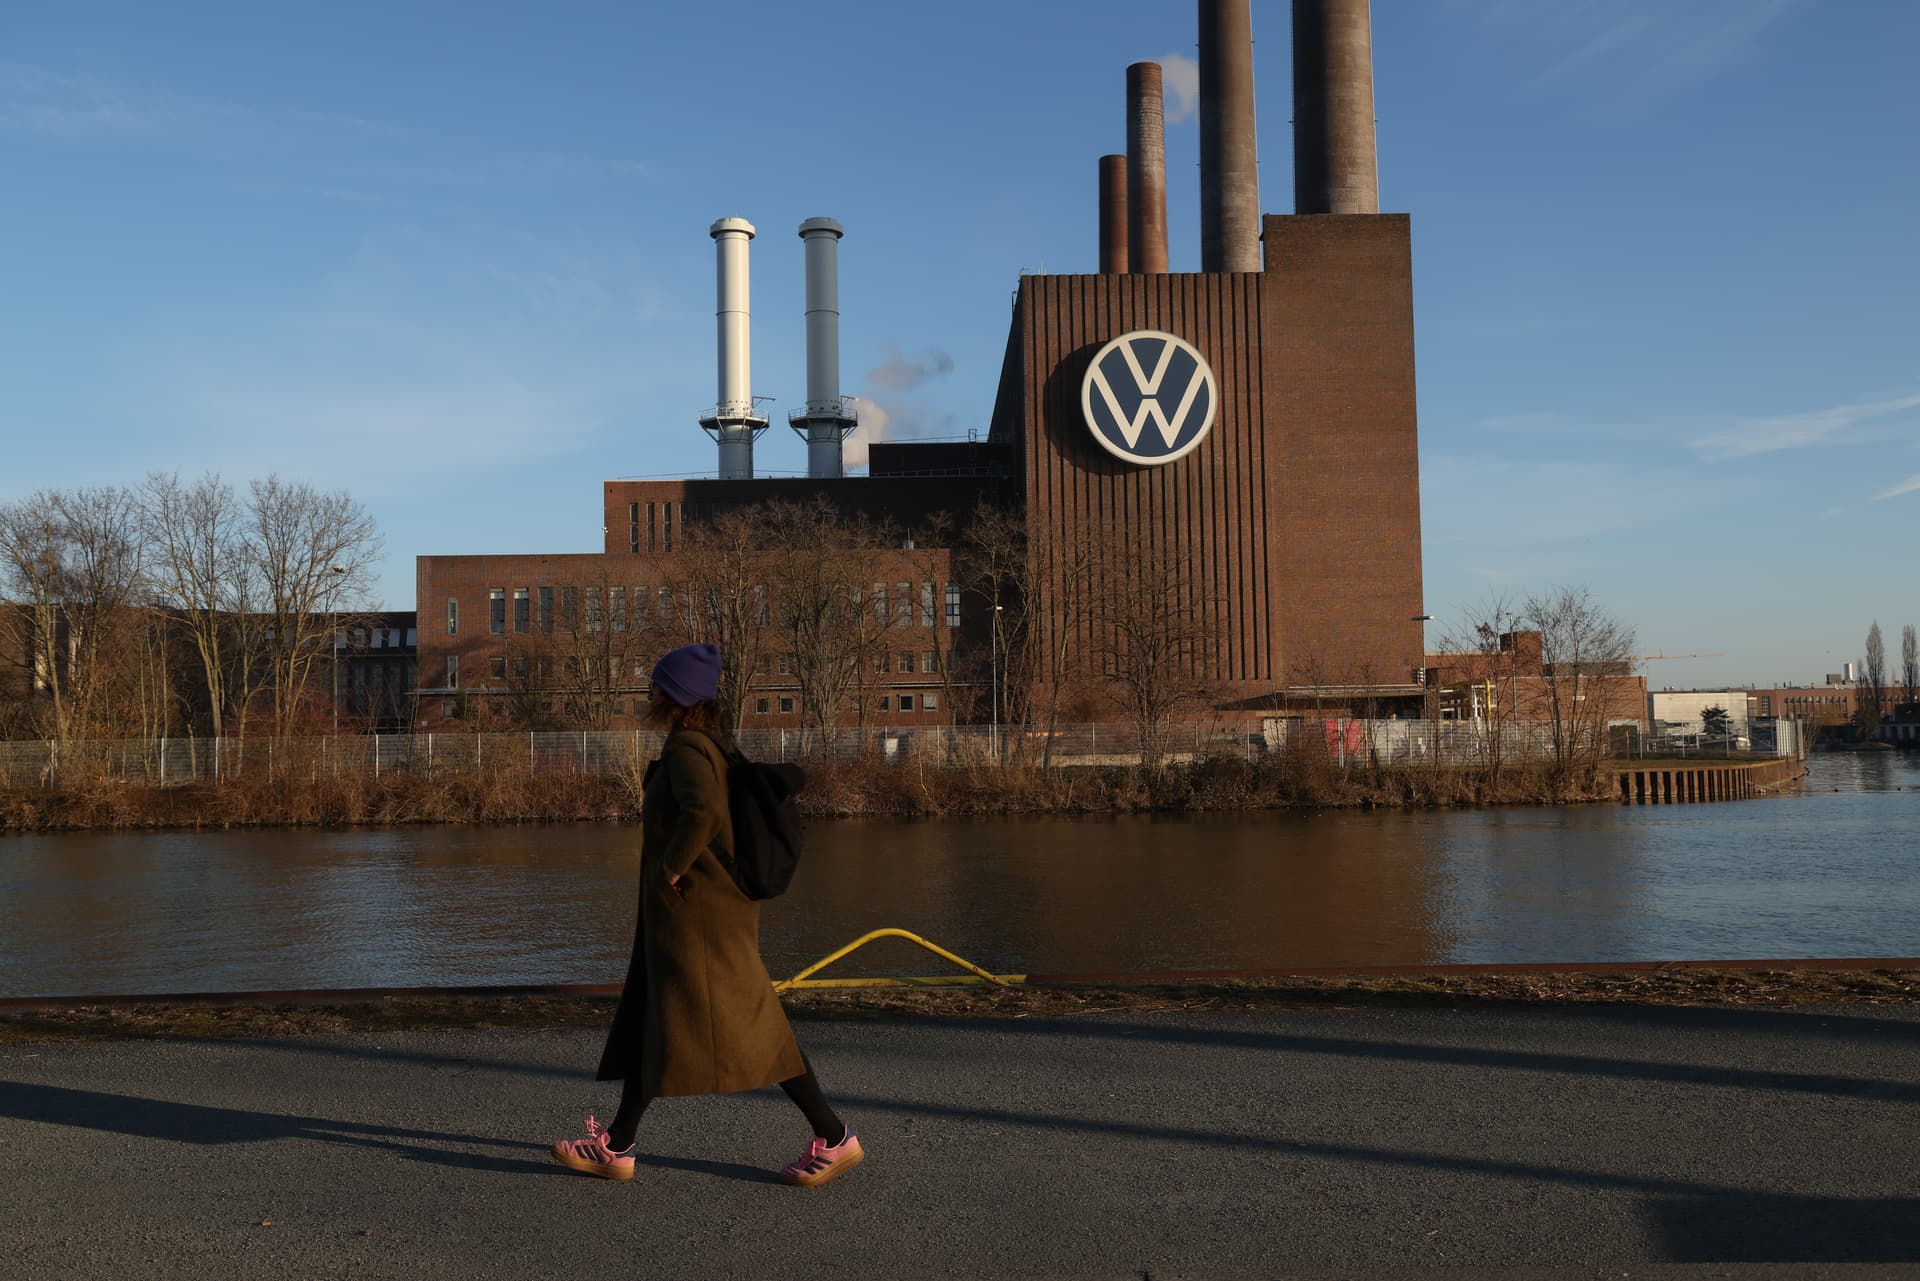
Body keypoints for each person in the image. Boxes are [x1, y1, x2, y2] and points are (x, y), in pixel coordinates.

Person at [549, 641, 862, 1187]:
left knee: (748, 1026)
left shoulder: (689, 749)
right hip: (700, 917)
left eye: (656, 685)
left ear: (674, 696)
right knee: (664, 1019)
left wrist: (672, 865)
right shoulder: (707, 744)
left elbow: (705, 813)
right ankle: (618, 1144)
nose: (649, 692)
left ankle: (834, 1137)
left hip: (698, 921)